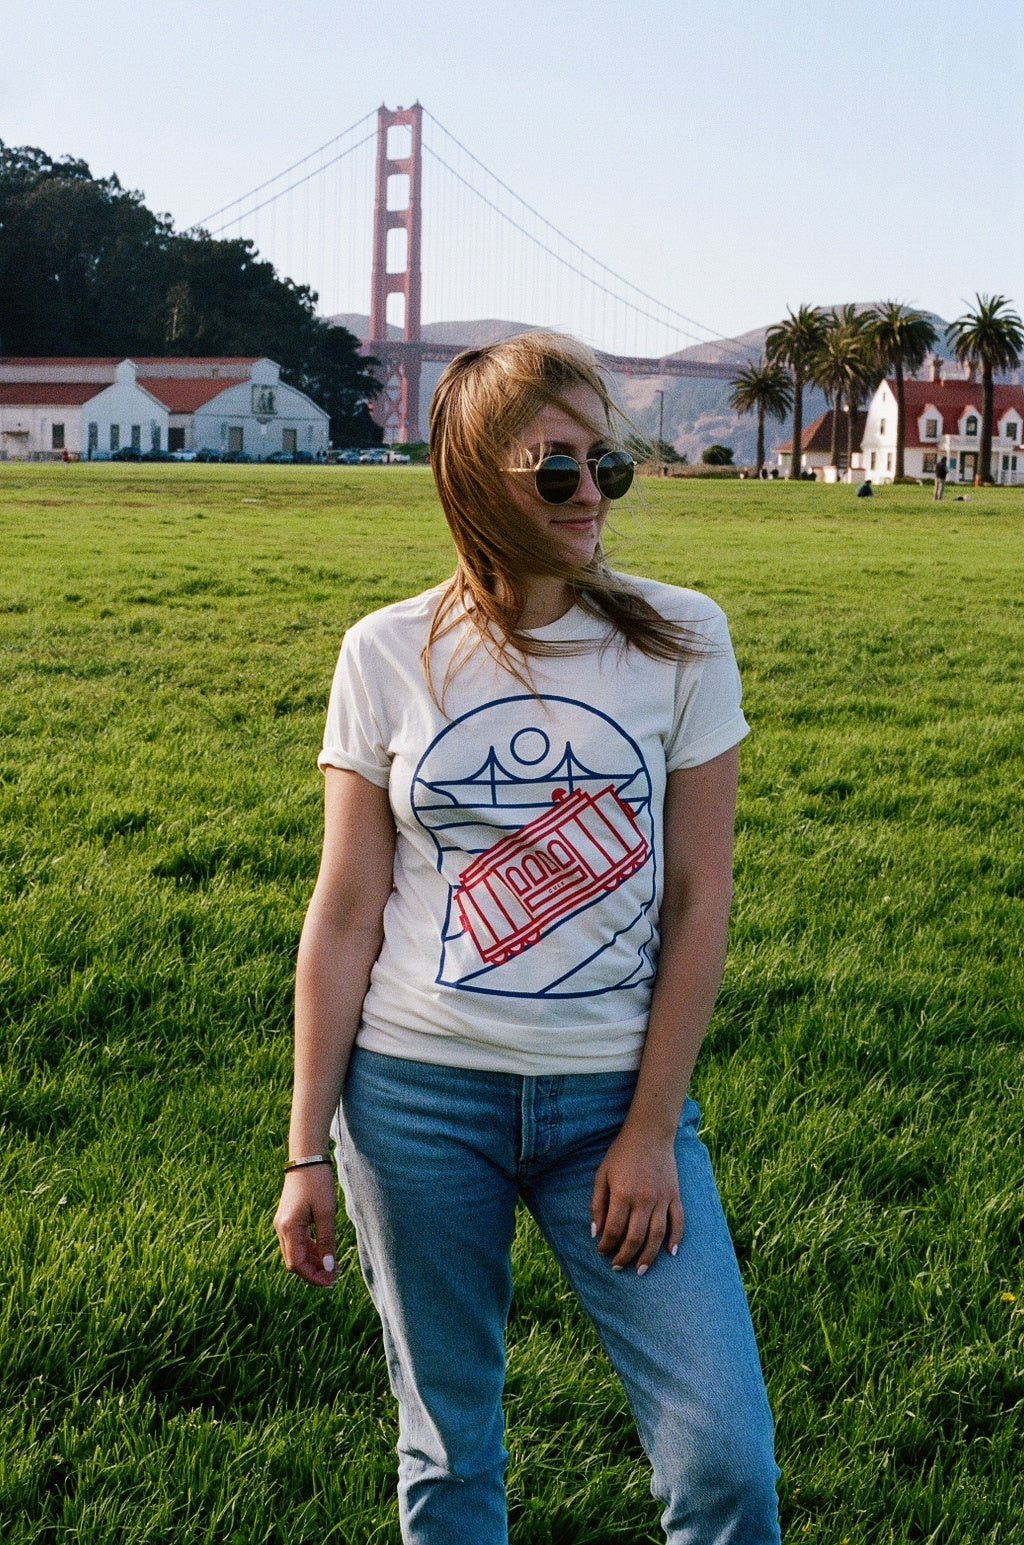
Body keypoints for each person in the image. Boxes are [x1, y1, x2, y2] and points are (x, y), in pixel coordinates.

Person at [274, 332, 781, 1544]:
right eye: (555, 471)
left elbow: (699, 898)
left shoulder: (679, 637)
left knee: (726, 1461)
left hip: (611, 1103)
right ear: (471, 481)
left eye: (609, 464)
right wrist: (304, 1150)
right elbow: (345, 910)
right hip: (412, 1100)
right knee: (449, 1450)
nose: (593, 494)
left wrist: (651, 1129)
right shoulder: (385, 650)